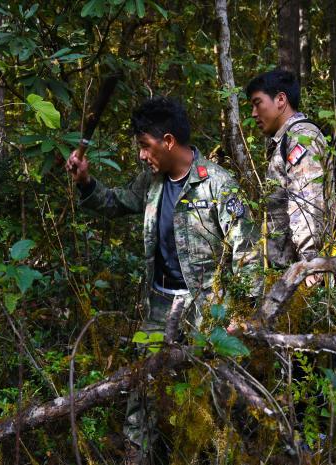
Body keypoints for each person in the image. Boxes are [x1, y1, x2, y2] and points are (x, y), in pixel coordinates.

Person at [66, 96, 261, 463]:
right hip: (159, 305)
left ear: (168, 141)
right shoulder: (151, 182)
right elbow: (116, 203)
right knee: (143, 391)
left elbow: (246, 248)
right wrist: (86, 182)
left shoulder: (217, 184)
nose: (142, 155)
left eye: (145, 145)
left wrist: (242, 314)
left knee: (218, 396)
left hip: (208, 310)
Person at [245, 69, 329, 286]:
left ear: (281, 100)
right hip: (288, 270)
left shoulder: (301, 137)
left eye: (257, 103)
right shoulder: (284, 140)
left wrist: (310, 263)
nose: (253, 113)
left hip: (303, 273)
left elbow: (307, 202)